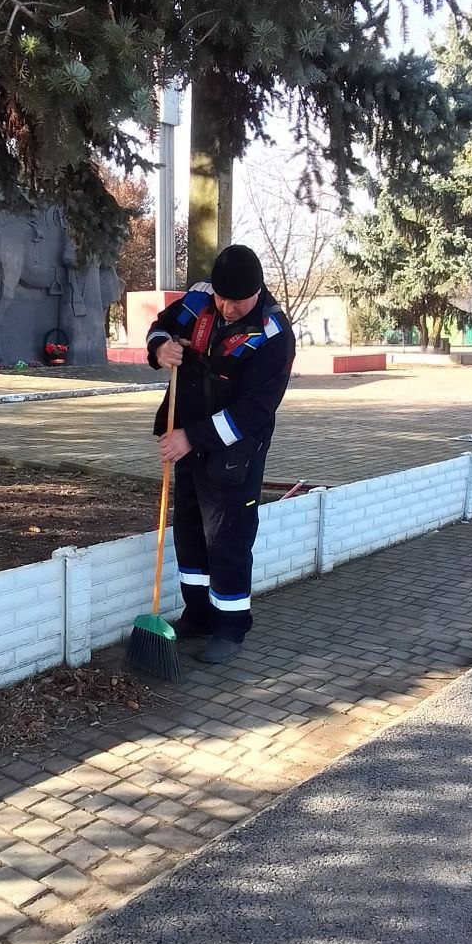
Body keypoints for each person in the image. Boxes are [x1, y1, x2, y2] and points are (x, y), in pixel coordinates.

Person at [146, 244, 295, 664]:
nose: (226, 307)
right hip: (186, 440)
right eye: (221, 298)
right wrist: (160, 349)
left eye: (236, 301)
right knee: (190, 531)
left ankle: (230, 627)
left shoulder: (273, 333)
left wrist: (191, 437)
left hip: (233, 453)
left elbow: (254, 411)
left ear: (256, 292)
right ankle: (198, 615)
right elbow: (160, 326)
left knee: (227, 536)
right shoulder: (199, 299)